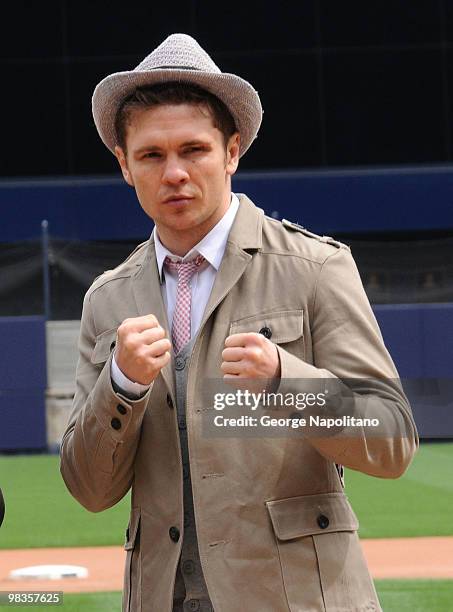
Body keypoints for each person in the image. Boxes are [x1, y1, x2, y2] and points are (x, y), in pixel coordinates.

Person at [60, 33, 418, 612]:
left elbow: (393, 441)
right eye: (151, 155)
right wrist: (120, 385)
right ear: (124, 165)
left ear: (231, 151)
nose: (174, 172)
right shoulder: (108, 300)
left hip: (295, 598)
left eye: (193, 150)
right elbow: (89, 490)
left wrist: (286, 380)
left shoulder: (315, 269)